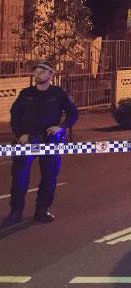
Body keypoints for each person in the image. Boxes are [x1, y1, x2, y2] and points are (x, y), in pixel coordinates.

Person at [3, 61, 79, 225]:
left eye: (42, 71)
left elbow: (73, 113)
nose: (37, 73)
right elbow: (14, 115)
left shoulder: (58, 94)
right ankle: (15, 213)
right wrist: (20, 134)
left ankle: (42, 211)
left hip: (49, 141)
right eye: (36, 71)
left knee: (49, 177)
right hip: (27, 141)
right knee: (19, 178)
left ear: (51, 75)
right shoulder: (26, 94)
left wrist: (61, 127)